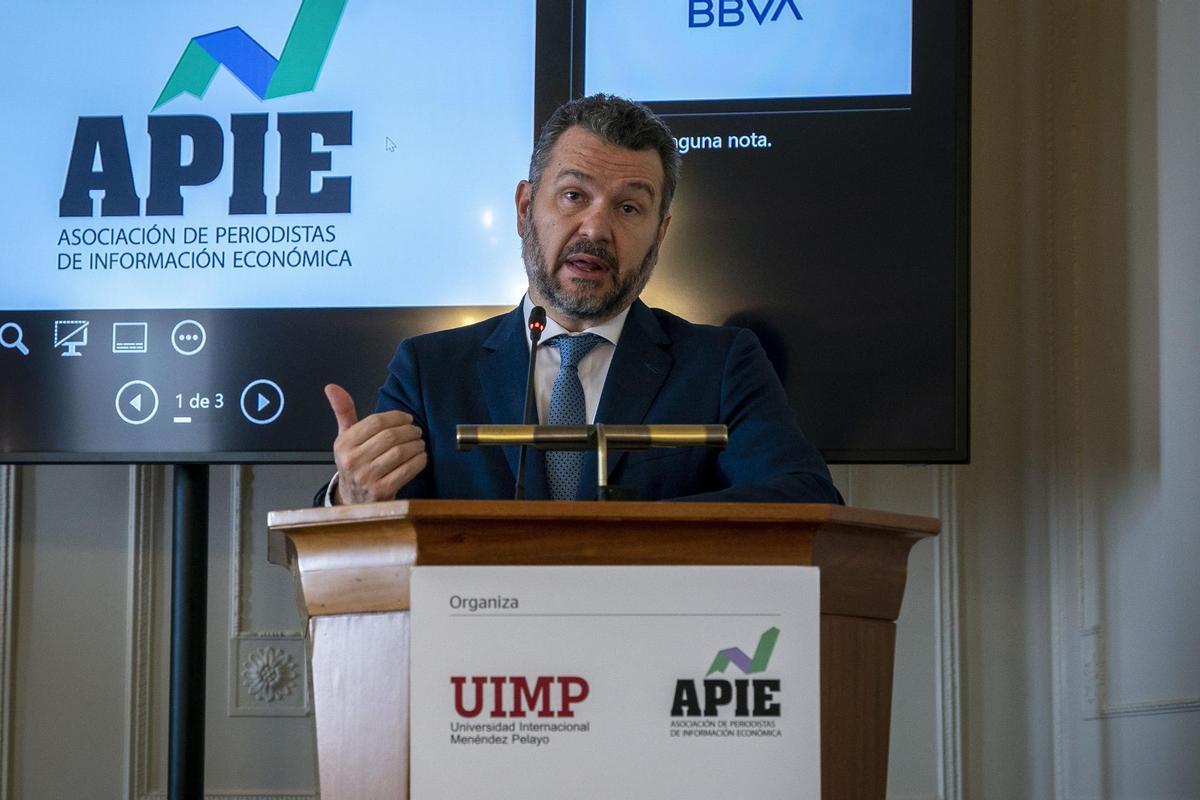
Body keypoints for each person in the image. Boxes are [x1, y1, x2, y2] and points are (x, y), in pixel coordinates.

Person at [318, 94, 840, 505]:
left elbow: (807, 497)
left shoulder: (723, 365)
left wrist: (613, 538)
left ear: (660, 235)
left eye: (629, 208)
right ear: (525, 208)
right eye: (574, 195)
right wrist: (350, 494)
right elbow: (376, 529)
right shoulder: (430, 371)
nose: (596, 227)